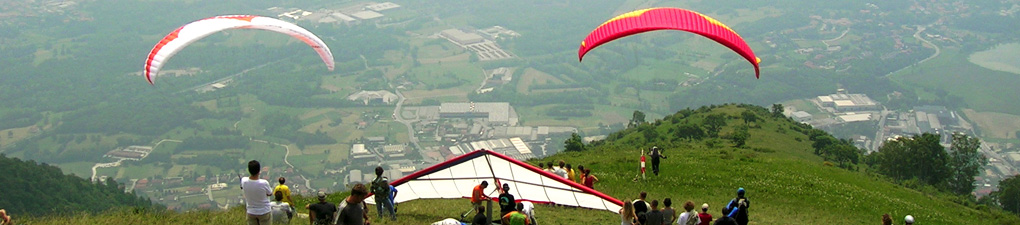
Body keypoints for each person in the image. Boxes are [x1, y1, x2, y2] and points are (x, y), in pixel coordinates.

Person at [242, 160, 273, 225]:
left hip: (251, 212)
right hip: (264, 211)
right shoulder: (264, 183)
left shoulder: (244, 181)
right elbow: (270, 193)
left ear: (249, 170)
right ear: (259, 171)